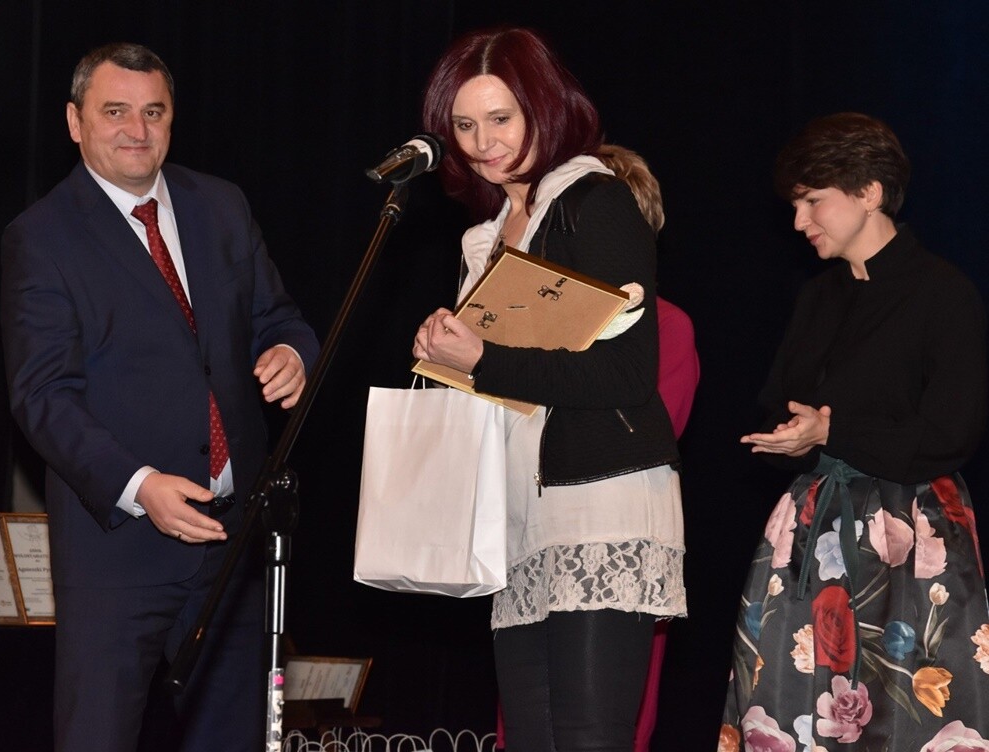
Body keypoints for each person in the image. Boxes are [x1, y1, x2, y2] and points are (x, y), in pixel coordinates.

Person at [0, 43, 319, 752]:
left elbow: (279, 318)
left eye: (153, 112)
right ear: (75, 122)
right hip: (118, 554)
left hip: (232, 545)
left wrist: (292, 353)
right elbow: (42, 396)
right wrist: (140, 486)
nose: (136, 130)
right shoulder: (41, 237)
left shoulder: (222, 206)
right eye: (115, 111)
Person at [412, 28, 687, 752]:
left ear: (546, 107)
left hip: (600, 503)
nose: (482, 143)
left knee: (589, 736)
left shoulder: (596, 203)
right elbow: (504, 377)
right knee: (530, 738)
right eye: (464, 125)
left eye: (500, 118)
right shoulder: (487, 236)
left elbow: (626, 375)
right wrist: (446, 359)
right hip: (518, 513)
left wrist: (482, 359)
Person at [719, 112, 989, 752]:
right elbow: (782, 412)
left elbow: (950, 435)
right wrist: (789, 438)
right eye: (794, 205)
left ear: (869, 191)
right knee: (795, 710)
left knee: (910, 714)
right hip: (813, 533)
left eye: (813, 201)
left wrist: (832, 430)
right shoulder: (818, 297)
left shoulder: (943, 293)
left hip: (912, 534)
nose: (799, 221)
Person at [596, 143, 700, 752]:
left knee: (615, 723)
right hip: (533, 539)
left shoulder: (667, 325)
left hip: (621, 541)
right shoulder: (532, 316)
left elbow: (651, 435)